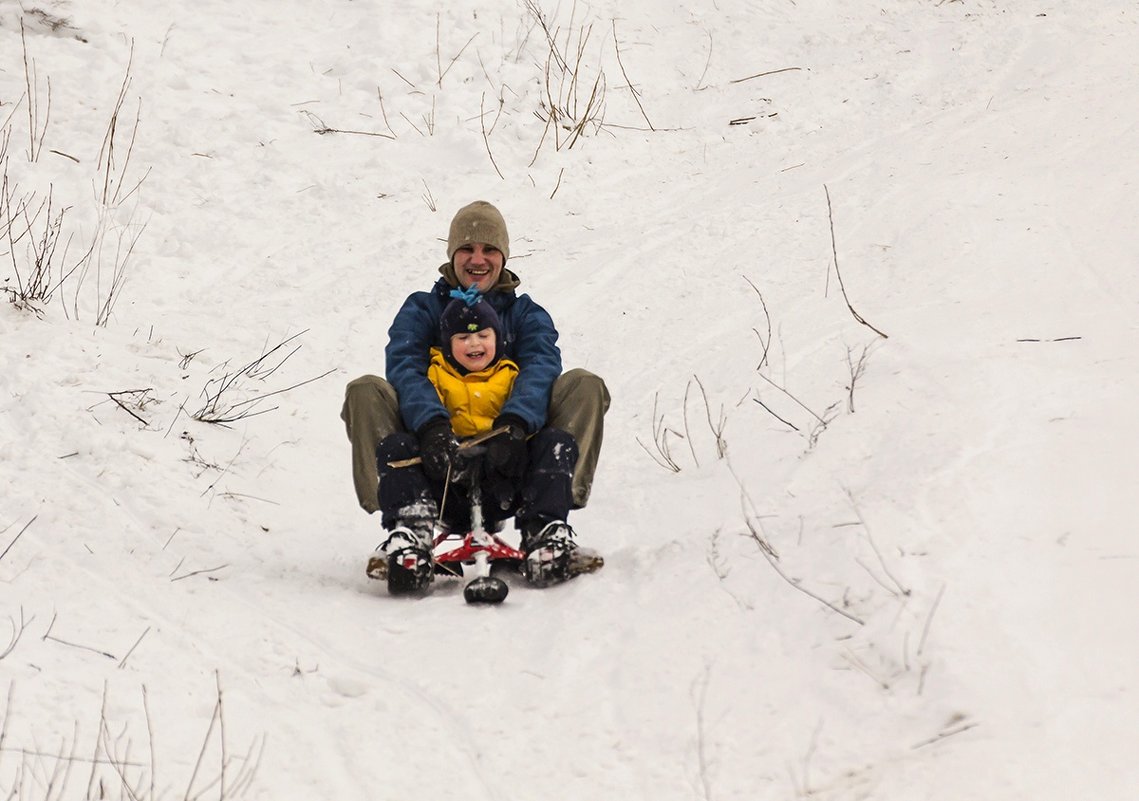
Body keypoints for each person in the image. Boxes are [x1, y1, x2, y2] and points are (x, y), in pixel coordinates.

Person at [341, 200, 610, 592]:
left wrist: (516, 424)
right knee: (365, 390)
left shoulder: (526, 315)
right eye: (467, 249)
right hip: (434, 461)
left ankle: (547, 526)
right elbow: (404, 366)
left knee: (585, 383)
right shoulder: (422, 309)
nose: (477, 259)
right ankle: (407, 528)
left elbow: (540, 366)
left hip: (513, 461)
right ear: (452, 255)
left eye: (489, 250)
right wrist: (432, 425)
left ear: (503, 256)